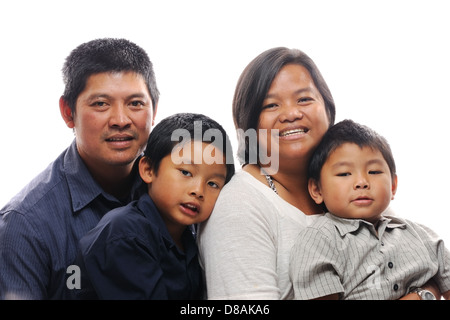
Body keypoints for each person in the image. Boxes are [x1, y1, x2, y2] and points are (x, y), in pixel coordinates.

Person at [197, 47, 441, 300]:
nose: (291, 114)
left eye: (304, 99)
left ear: (328, 111)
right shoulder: (240, 206)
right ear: (249, 124)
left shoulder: (355, 184)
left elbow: (421, 260)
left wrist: (426, 291)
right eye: (271, 105)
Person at [0, 38, 159, 300]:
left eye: (135, 103)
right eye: (100, 104)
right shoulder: (23, 226)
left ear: (154, 111)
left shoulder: (178, 192)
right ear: (68, 112)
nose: (121, 120)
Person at [71, 113, 235, 300]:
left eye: (213, 184)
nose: (198, 191)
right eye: (186, 172)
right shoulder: (125, 235)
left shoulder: (191, 238)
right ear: (148, 170)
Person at [289, 119, 450, 300]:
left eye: (374, 172)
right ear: (317, 190)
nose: (362, 182)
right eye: (344, 174)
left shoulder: (421, 235)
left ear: (393, 185)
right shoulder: (318, 241)